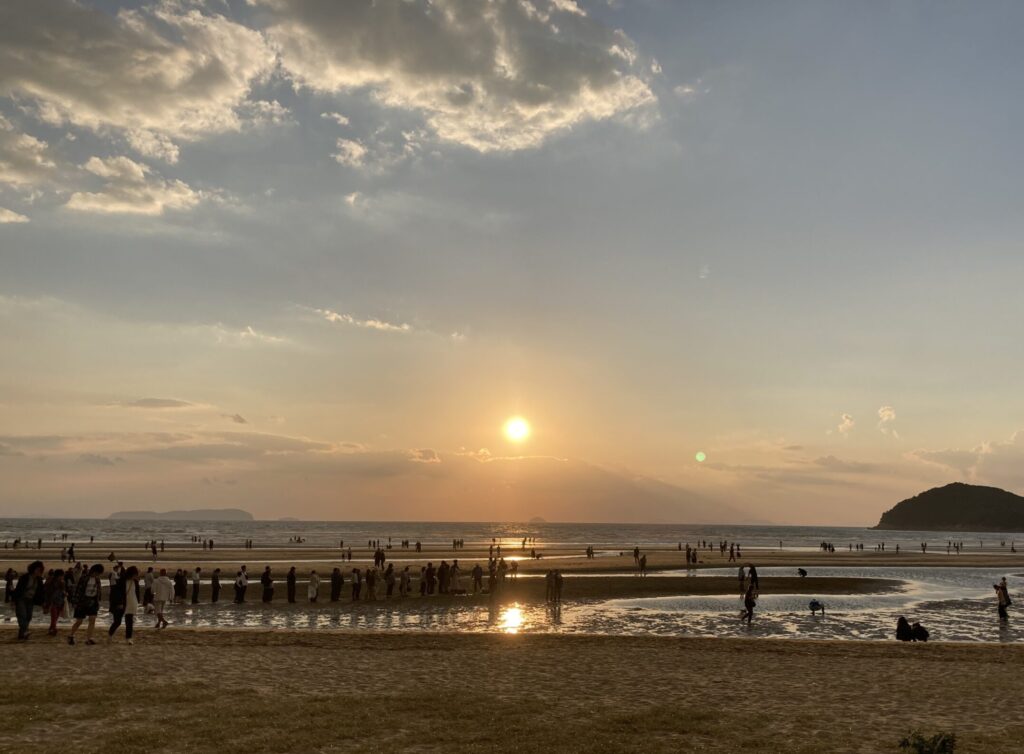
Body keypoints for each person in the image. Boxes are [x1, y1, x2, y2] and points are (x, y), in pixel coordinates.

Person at [68, 563, 105, 645]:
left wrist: (98, 601)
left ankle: (89, 638)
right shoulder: (84, 578)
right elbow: (78, 590)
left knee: (92, 619)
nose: (98, 575)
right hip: (82, 602)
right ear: (94, 571)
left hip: (93, 601)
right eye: (97, 573)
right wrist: (75, 602)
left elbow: (98, 591)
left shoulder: (97, 579)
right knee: (79, 621)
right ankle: (71, 635)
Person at [12, 560, 45, 640]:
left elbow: (41, 592)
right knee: (22, 615)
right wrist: (13, 601)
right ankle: (25, 631)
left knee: (28, 617)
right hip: (21, 599)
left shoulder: (39, 580)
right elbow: (18, 589)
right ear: (33, 569)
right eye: (37, 569)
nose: (39, 571)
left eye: (40, 570)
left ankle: (22, 634)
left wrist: (43, 603)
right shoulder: (25, 577)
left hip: (30, 600)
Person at [43, 568, 67, 635]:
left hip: (58, 601)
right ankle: (54, 628)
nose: (63, 577)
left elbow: (62, 591)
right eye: (62, 575)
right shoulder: (52, 582)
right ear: (59, 575)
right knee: (54, 616)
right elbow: (48, 592)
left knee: (55, 616)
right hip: (54, 601)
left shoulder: (60, 582)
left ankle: (51, 628)